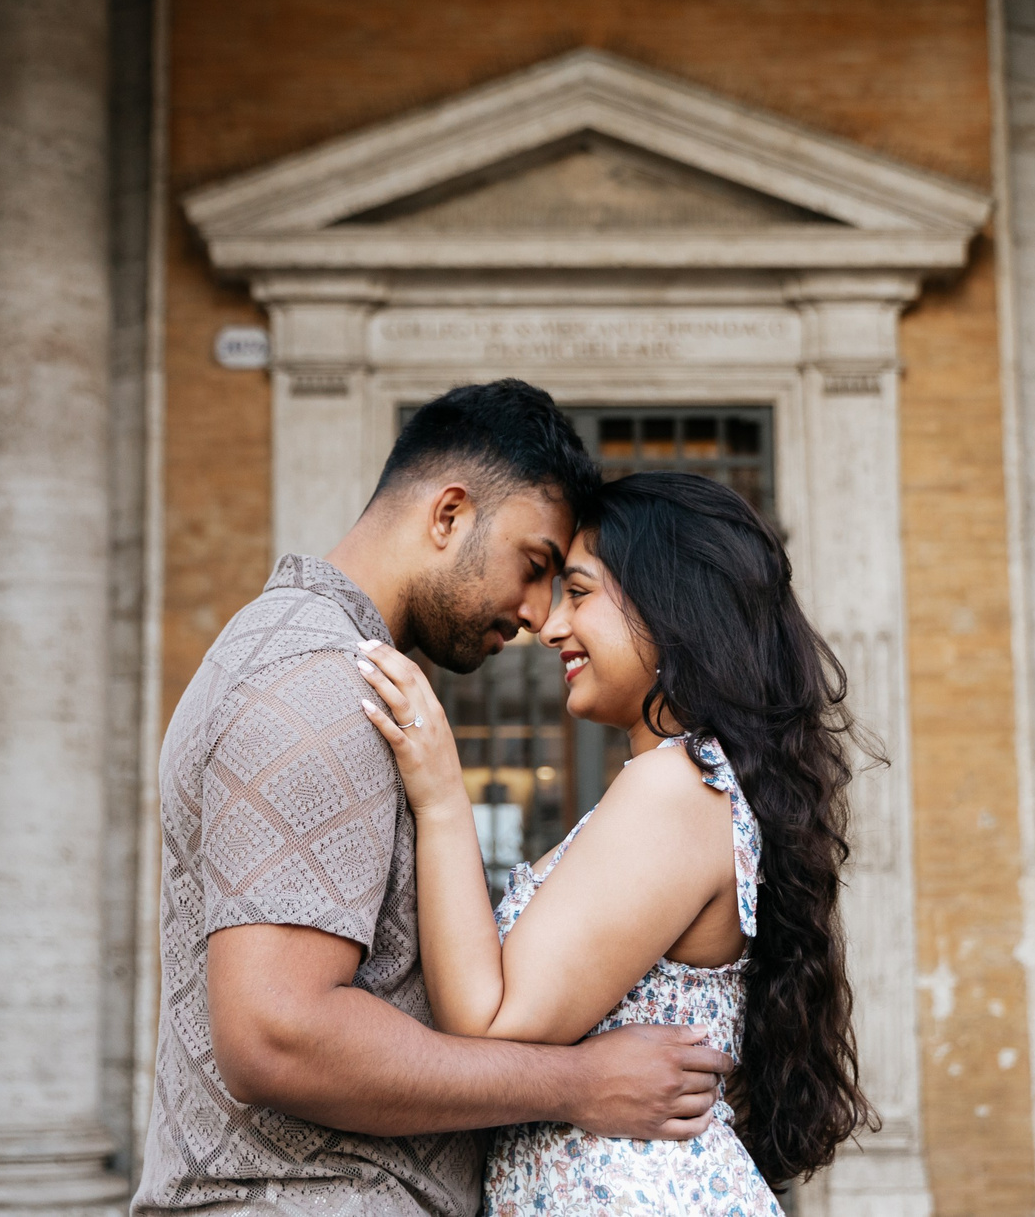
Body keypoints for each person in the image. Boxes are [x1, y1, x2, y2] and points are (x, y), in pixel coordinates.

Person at [136, 381, 734, 1217]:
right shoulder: (320, 684)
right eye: (536, 566)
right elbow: (277, 1033)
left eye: (569, 588)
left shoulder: (322, 664)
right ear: (449, 514)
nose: (536, 615)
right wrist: (577, 1081)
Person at [356, 468, 872, 1216]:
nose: (551, 626)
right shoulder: (685, 782)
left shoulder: (675, 787)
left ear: (671, 609)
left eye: (579, 592)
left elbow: (490, 1020)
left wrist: (440, 795)